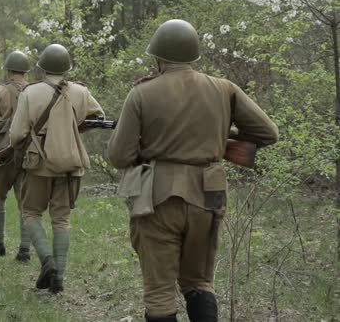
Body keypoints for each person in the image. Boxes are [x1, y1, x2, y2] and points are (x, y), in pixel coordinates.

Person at [107, 19, 278, 322]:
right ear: (193, 55)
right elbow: (268, 134)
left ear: (158, 57)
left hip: (157, 199)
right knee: (199, 282)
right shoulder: (224, 88)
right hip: (208, 196)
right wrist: (219, 139)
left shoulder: (141, 93)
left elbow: (119, 157)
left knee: (160, 291)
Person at [10, 44, 104, 294]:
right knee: (61, 219)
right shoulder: (81, 92)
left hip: (38, 162)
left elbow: (16, 134)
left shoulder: (30, 93)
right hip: (70, 163)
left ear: (40, 68)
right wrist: (72, 130)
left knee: (30, 212)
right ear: (67, 69)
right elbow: (98, 116)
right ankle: (58, 279)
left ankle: (47, 261)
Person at [0, 50, 32, 261]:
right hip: (27, 151)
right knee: (25, 202)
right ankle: (24, 249)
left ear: (9, 70)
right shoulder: (35, 91)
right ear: (25, 71)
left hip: (2, 152)